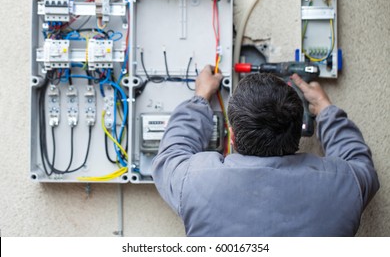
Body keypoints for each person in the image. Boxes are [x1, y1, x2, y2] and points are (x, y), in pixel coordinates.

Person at [152, 65, 380, 236]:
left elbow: (171, 153)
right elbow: (359, 161)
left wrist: (200, 97)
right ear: (299, 133)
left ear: (232, 136)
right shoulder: (346, 186)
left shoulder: (193, 182)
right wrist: (326, 110)